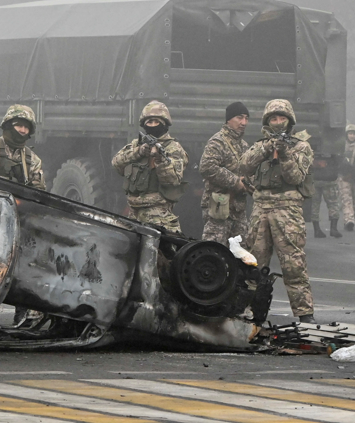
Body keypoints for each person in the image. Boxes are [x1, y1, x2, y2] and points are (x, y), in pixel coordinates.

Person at [240, 99, 316, 323]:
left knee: (293, 263)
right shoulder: (260, 145)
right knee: (254, 264)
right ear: (267, 121)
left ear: (290, 120)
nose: (278, 122)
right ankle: (253, 312)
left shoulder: (301, 147)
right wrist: (266, 148)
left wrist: (284, 154)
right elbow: (244, 165)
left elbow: (295, 177)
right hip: (261, 208)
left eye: (282, 118)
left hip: (287, 208)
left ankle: (304, 314)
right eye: (274, 118)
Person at [0, 104, 45, 326]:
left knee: (20, 267)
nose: (22, 131)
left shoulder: (32, 159)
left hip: (17, 219)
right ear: (7, 125)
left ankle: (22, 313)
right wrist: (13, 186)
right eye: (18, 125)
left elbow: (38, 190)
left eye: (26, 127)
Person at [112, 100, 188, 232]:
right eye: (149, 122)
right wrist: (138, 152)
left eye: (156, 122)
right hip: (133, 213)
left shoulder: (173, 148)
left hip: (158, 215)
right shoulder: (137, 144)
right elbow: (116, 163)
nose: (153, 125)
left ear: (164, 124)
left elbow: (173, 179)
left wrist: (159, 159)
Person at [199, 101, 253, 246]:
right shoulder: (217, 142)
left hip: (238, 209)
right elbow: (207, 167)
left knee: (240, 254)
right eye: (239, 117)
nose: (244, 122)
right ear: (229, 119)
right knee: (214, 251)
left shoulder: (244, 146)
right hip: (219, 206)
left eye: (246, 118)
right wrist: (236, 182)